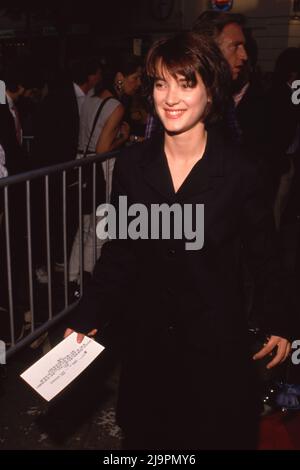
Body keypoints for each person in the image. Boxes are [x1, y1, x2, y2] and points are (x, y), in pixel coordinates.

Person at [64, 32, 291, 450]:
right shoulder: (133, 164)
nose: (171, 97)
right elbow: (121, 250)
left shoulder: (242, 171)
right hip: (148, 342)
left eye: (187, 83)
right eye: (161, 83)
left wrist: (278, 320)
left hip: (215, 344)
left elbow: (265, 255)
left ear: (211, 92)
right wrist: (87, 314)